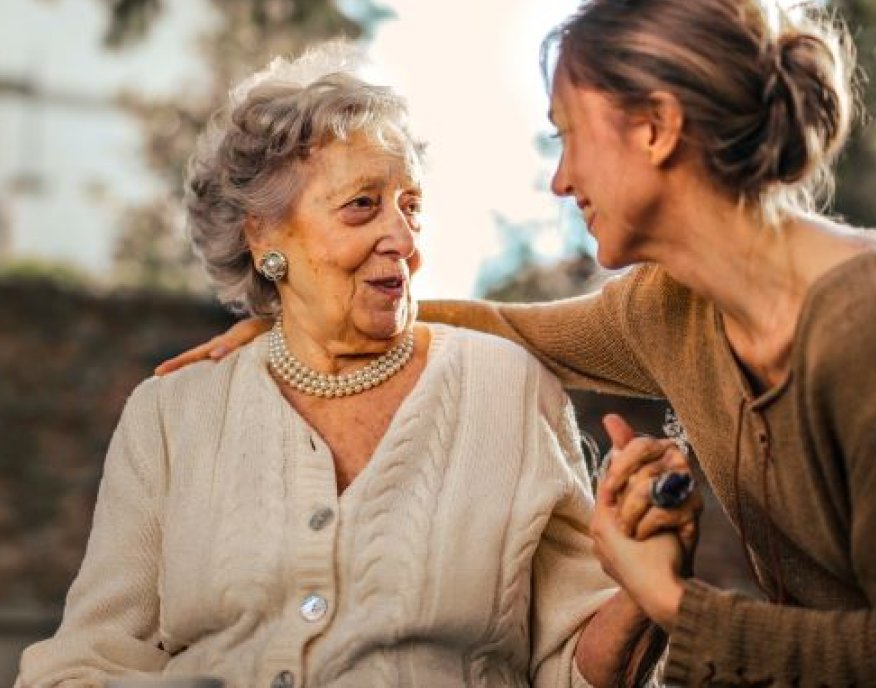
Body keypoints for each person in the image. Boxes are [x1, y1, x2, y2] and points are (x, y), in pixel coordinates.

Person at [160, 0, 876, 686]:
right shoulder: (674, 308)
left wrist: (676, 606)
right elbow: (509, 328)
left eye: (569, 138)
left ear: (655, 128)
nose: (562, 179)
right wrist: (303, 319)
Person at [17, 41, 697, 688]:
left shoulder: (508, 389)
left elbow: (575, 671)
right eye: (363, 206)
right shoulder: (171, 415)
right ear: (263, 236)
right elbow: (85, 661)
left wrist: (644, 591)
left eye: (412, 207)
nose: (401, 239)